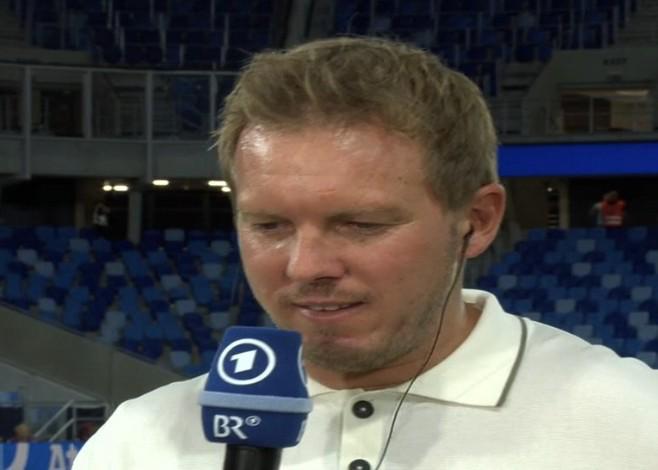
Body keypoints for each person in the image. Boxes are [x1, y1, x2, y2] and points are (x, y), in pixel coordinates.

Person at [73, 37, 658, 470]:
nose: (306, 266)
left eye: (360, 224)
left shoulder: (635, 425)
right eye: (270, 225)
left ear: (477, 222)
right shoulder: (138, 444)